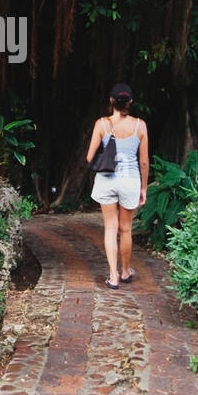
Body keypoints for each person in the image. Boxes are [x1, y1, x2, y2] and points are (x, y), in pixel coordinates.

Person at [84, 83, 149, 289]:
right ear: (130, 102)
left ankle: (113, 277)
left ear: (111, 101)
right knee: (126, 229)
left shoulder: (101, 124)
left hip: (106, 180)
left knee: (110, 228)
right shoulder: (140, 126)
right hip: (130, 180)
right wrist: (144, 188)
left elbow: (89, 157)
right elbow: (144, 162)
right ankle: (126, 271)